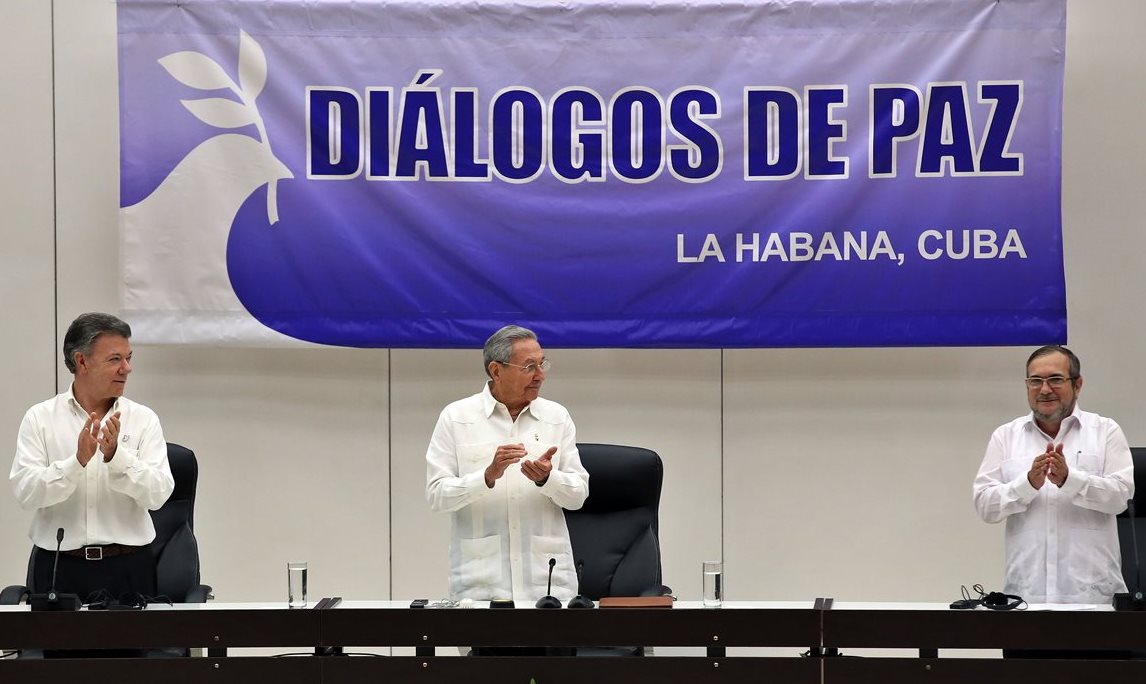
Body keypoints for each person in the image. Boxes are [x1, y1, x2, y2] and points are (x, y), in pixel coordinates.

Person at [10, 312, 173, 606]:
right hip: (59, 568)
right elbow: (26, 493)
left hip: (128, 568)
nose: (127, 368)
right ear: (81, 361)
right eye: (115, 359)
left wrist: (116, 457)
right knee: (63, 653)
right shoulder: (40, 418)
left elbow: (159, 494)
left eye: (128, 357)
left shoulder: (143, 419)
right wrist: (76, 464)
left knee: (132, 652)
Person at [426, 325, 589, 606]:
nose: (540, 375)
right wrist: (486, 477)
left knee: (553, 649)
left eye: (542, 364)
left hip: (548, 586)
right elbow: (437, 496)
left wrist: (547, 479)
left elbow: (578, 496)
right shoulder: (457, 417)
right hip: (480, 586)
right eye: (529, 366)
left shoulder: (556, 417)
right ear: (496, 370)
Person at [973, 345, 1134, 604]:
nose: (1045, 389)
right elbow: (985, 506)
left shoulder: (1105, 431)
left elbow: (1120, 498)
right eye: (1035, 381)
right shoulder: (1006, 436)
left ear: (1077, 384)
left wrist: (1071, 480)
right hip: (1025, 599)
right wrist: (1026, 485)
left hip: (1093, 602)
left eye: (1055, 379)